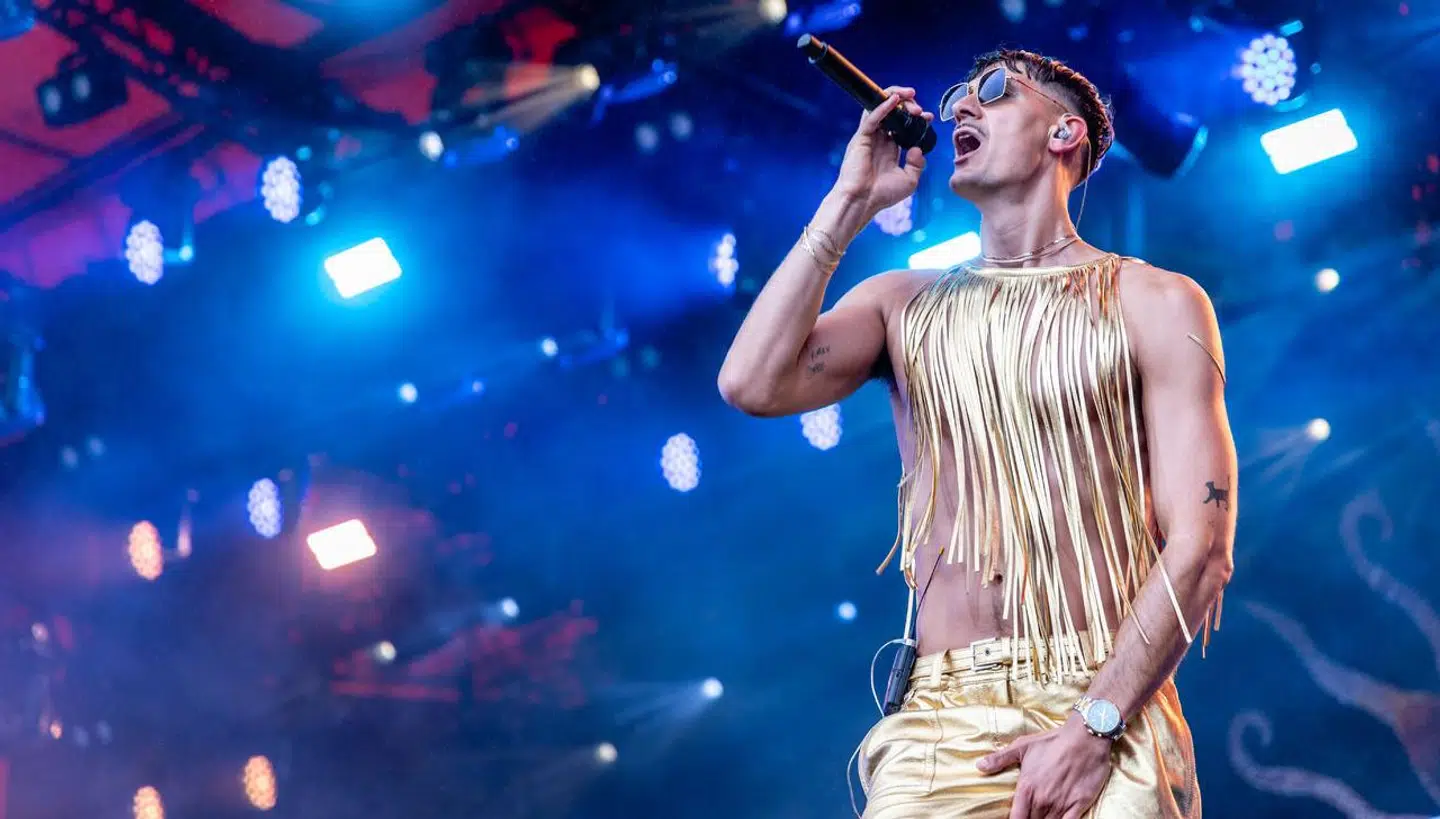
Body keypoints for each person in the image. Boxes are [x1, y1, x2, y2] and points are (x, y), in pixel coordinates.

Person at [717, 48, 1236, 818]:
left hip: (1099, 697)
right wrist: (850, 200)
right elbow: (751, 382)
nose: (962, 106)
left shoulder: (1154, 300)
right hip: (939, 718)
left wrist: (1095, 726)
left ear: (1065, 134)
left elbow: (1201, 547)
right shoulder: (902, 304)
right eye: (958, 92)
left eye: (994, 91)